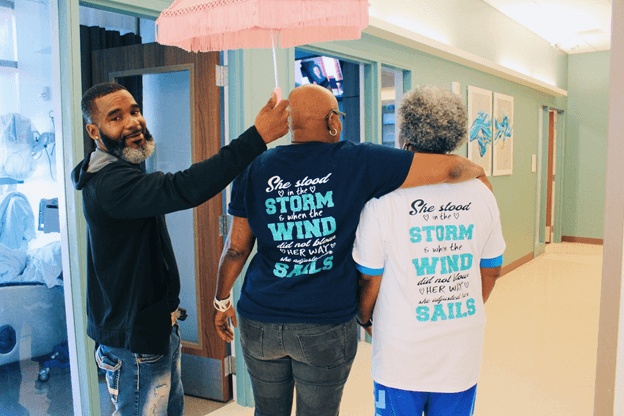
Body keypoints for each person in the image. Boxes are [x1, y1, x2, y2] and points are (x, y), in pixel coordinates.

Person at [213, 84, 489, 416]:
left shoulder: (255, 168)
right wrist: (479, 173)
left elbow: (236, 250)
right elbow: (451, 169)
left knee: (268, 411)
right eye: (339, 115)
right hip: (325, 324)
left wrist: (221, 300)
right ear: (333, 122)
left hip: (261, 320)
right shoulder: (358, 160)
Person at [71, 82, 289, 415]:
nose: (133, 122)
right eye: (116, 117)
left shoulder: (119, 170)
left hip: (154, 332)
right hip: (136, 344)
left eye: (135, 111)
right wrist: (257, 137)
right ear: (94, 130)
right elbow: (184, 187)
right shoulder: (111, 183)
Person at [352, 85, 506, 416]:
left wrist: (364, 318)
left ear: (405, 138)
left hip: (399, 349)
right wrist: (459, 310)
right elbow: (492, 269)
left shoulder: (383, 199)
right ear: (457, 137)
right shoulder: (482, 193)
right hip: (461, 345)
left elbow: (368, 278)